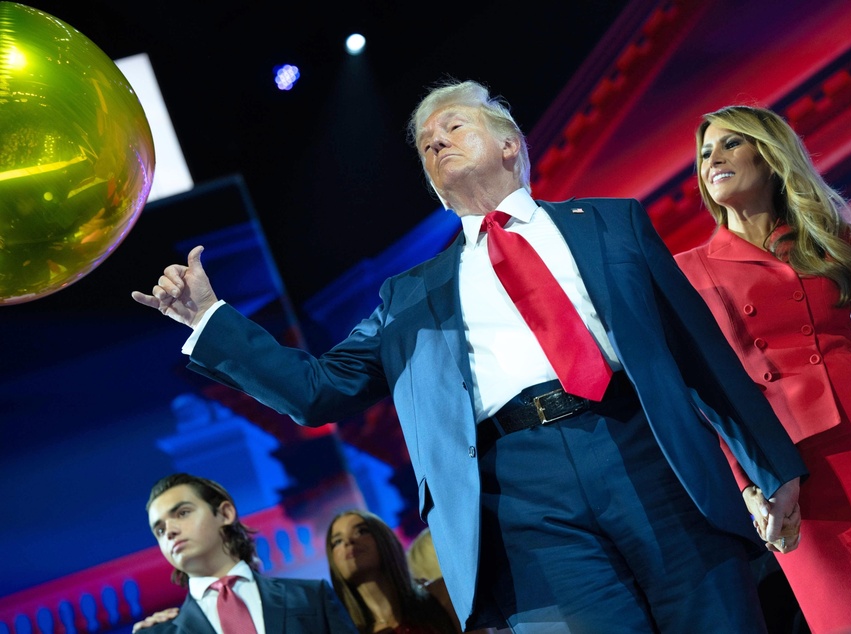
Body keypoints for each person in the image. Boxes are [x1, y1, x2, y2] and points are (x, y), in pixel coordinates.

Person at [132, 79, 807, 633]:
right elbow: (316, 390)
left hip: (649, 455)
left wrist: (768, 463)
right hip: (517, 494)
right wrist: (208, 318)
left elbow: (697, 349)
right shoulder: (411, 294)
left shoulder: (611, 223)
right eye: (426, 143)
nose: (434, 140)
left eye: (452, 126)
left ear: (510, 145)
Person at [674, 104, 851, 633]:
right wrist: (749, 485)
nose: (713, 159)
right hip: (792, 478)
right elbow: (703, 395)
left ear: (769, 154)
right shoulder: (686, 272)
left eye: (731, 144)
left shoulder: (831, 238)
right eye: (705, 152)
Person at [135, 473, 357, 633]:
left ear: (225, 513)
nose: (170, 532)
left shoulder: (310, 596)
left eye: (183, 513)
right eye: (160, 530)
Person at [326, 510, 458, 634]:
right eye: (337, 541)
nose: (348, 542)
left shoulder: (440, 596)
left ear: (385, 539)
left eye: (361, 531)